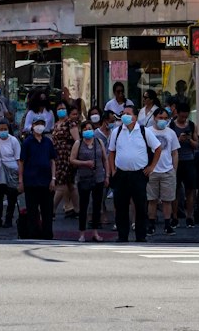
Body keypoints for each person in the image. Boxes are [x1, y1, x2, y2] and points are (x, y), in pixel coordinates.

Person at [107, 102, 159, 243]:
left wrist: (151, 167)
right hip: (121, 174)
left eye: (128, 114)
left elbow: (158, 148)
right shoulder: (116, 132)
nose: (125, 116)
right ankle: (122, 235)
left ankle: (140, 236)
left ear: (135, 117)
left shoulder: (144, 131)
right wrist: (112, 170)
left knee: (141, 206)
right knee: (121, 206)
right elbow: (111, 152)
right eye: (123, 114)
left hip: (139, 174)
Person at [70, 113, 108, 243]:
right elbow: (72, 160)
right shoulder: (78, 143)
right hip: (84, 178)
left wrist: (107, 175)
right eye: (85, 129)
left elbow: (104, 159)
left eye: (90, 129)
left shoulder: (99, 142)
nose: (88, 131)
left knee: (97, 206)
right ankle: (82, 233)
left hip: (98, 177)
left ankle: (95, 232)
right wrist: (84, 163)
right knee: (84, 206)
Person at [18, 115, 57, 239]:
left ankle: (47, 234)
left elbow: (53, 161)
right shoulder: (27, 142)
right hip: (31, 182)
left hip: (46, 181)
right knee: (32, 211)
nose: (39, 126)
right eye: (37, 124)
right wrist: (20, 181)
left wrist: (53, 179)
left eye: (42, 124)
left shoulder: (48, 142)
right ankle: (33, 234)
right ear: (33, 126)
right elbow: (21, 162)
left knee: (47, 211)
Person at [147, 107, 180, 235]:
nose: (163, 120)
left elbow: (175, 153)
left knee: (168, 200)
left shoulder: (171, 133)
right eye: (160, 118)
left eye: (166, 118)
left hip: (167, 171)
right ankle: (151, 224)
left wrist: (173, 170)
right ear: (154, 118)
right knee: (152, 200)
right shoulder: (148, 132)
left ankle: (167, 224)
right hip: (152, 171)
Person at [171, 101, 198, 228]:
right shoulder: (171, 125)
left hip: (189, 160)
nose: (183, 119)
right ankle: (175, 216)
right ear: (177, 114)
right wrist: (178, 139)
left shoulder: (192, 125)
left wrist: (189, 140)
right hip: (176, 161)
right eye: (181, 117)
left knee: (190, 190)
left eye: (185, 117)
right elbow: (168, 143)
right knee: (175, 190)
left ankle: (189, 216)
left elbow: (197, 144)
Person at [51, 99, 80, 218]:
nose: (61, 111)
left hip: (67, 157)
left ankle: (51, 210)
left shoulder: (70, 123)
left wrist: (74, 157)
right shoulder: (56, 124)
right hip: (58, 157)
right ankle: (78, 210)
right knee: (70, 185)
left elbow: (77, 140)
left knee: (61, 185)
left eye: (63, 109)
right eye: (59, 109)